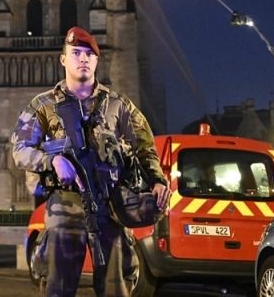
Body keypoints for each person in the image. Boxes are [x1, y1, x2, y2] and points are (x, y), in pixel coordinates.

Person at [11, 26, 170, 297]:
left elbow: (145, 147)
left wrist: (157, 180)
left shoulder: (119, 106)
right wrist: (52, 161)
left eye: (88, 54)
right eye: (75, 53)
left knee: (115, 287)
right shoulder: (44, 105)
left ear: (97, 60)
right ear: (63, 59)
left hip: (109, 204)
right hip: (64, 205)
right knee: (57, 287)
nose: (82, 59)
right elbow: (19, 149)